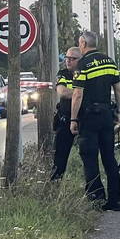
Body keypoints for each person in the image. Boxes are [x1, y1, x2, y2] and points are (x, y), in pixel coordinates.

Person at [70, 31, 120, 210]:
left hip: (89, 116)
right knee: (109, 158)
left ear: (83, 44)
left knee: (90, 158)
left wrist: (73, 119)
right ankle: (115, 200)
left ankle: (96, 199)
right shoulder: (109, 62)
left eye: (79, 43)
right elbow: (118, 89)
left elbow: (77, 94)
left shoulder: (83, 64)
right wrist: (119, 111)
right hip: (107, 115)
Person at [50, 47, 82, 181]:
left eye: (72, 58)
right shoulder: (63, 74)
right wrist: (80, 93)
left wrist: (75, 93)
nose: (68, 61)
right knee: (59, 159)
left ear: (80, 60)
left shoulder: (85, 73)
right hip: (65, 120)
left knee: (88, 156)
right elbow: (62, 92)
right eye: (67, 58)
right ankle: (55, 184)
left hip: (84, 120)